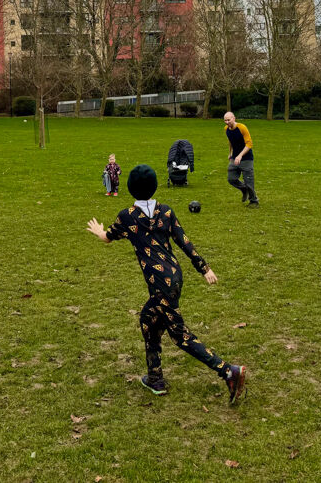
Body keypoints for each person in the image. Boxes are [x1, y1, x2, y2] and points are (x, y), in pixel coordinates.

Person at [86, 164, 247, 404]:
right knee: (148, 321)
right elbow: (185, 242)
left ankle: (228, 371)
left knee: (180, 336)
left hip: (160, 284)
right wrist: (204, 268)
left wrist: (99, 230)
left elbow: (107, 238)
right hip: (175, 276)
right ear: (154, 187)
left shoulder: (127, 216)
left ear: (130, 188)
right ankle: (155, 378)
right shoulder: (166, 212)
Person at [223, 111, 258, 207]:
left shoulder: (242, 128)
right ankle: (244, 189)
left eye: (228, 120)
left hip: (246, 158)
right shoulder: (226, 129)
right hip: (234, 158)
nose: (227, 122)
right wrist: (230, 153)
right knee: (231, 178)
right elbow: (231, 142)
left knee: (249, 181)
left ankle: (254, 201)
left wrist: (240, 155)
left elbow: (249, 144)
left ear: (234, 118)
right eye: (225, 120)